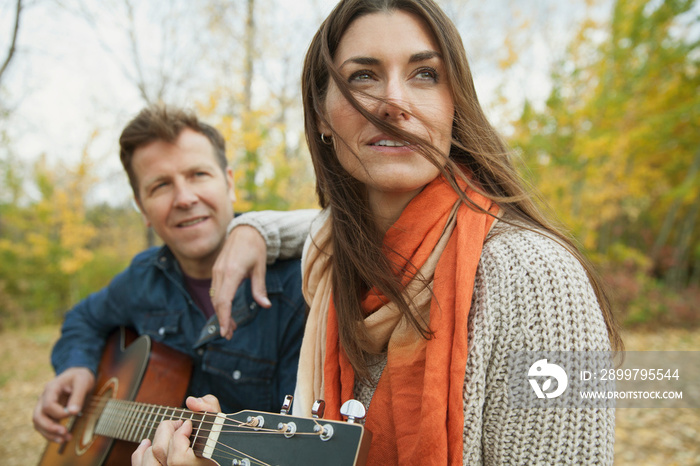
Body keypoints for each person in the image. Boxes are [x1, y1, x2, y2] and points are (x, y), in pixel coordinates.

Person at [134, 0, 623, 464]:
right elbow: (333, 224)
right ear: (322, 115)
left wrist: (251, 227)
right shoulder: (331, 267)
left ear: (455, 105)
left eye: (425, 74)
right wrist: (254, 228)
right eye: (363, 76)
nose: (393, 100)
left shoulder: (539, 279)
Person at [32, 104, 307, 446]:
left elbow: (292, 442)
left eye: (198, 175)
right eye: (161, 185)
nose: (185, 198)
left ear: (230, 183)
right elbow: (83, 318)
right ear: (142, 208)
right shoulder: (142, 278)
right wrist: (76, 366)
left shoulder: (298, 285)